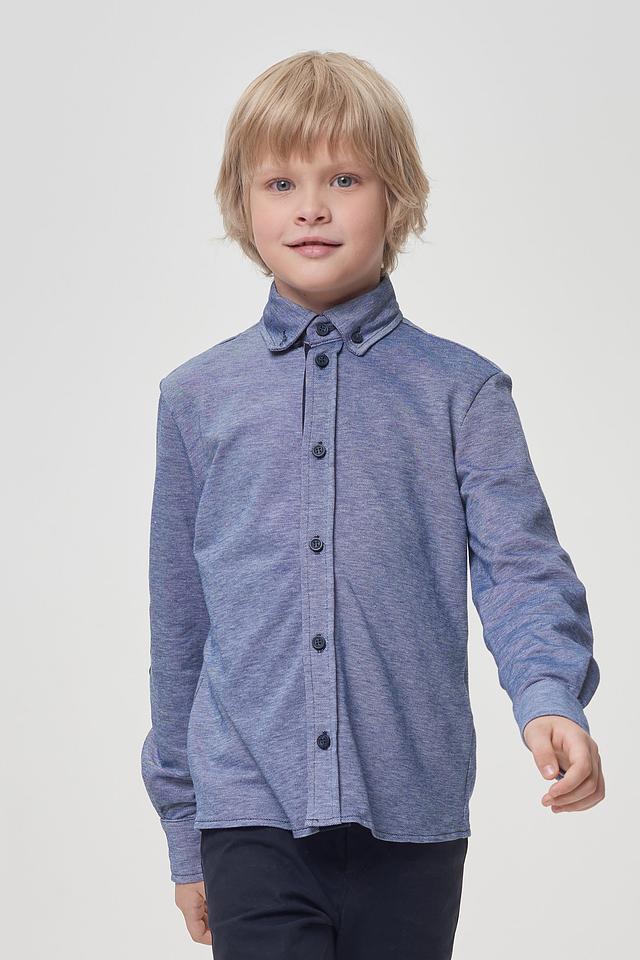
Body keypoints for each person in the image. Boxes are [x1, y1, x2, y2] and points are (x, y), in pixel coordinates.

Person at [140, 50, 604, 959]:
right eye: (281, 182)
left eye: (344, 179)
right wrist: (184, 828)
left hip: (412, 809)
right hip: (248, 807)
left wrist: (549, 695)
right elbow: (179, 625)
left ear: (398, 198)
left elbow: (520, 568)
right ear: (242, 203)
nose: (311, 207)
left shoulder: (462, 392)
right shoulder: (196, 400)